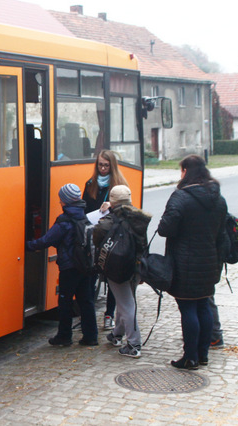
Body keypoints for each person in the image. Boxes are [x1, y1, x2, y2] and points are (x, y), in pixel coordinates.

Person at [157, 154, 228, 370]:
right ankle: (203, 354)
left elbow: (165, 229)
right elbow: (221, 232)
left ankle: (190, 357)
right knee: (203, 305)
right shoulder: (219, 199)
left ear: (186, 171)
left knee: (188, 308)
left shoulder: (180, 197)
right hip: (209, 262)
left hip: (185, 263)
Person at [27, 183, 98, 347]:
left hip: (69, 268)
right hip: (85, 266)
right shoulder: (83, 216)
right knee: (86, 301)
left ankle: (64, 336)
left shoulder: (64, 221)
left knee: (65, 302)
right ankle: (91, 336)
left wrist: (27, 245)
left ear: (65, 201)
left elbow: (46, 240)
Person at [93, 185, 151, 358]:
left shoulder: (109, 220)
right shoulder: (139, 218)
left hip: (117, 267)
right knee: (125, 300)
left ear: (112, 201)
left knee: (126, 305)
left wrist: (104, 213)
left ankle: (134, 344)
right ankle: (116, 335)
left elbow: (97, 237)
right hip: (136, 266)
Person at [82, 150, 129, 330]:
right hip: (94, 233)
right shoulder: (90, 184)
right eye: (100, 165)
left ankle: (109, 314)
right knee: (91, 274)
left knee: (111, 278)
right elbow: (84, 207)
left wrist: (112, 205)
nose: (102, 168)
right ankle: (89, 317)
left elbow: (127, 210)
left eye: (106, 165)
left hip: (112, 235)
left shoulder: (119, 185)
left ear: (112, 166)